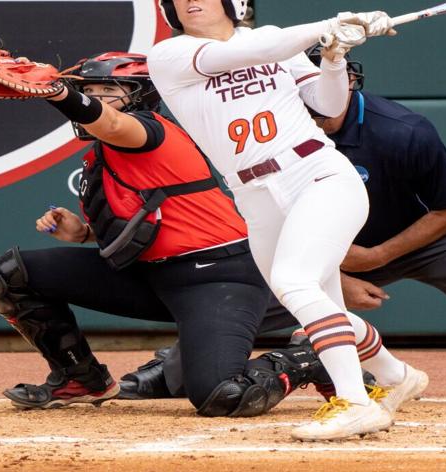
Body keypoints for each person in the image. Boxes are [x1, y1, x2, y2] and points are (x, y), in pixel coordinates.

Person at [125, 47, 446, 411]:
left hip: (431, 234)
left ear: (347, 82)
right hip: (333, 243)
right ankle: (177, 370)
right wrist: (341, 272)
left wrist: (371, 259)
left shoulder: (402, 130)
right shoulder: (270, 139)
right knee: (268, 288)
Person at [0, 51, 341, 417]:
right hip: (152, 275)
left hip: (218, 277)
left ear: (141, 95)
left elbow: (115, 126)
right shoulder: (102, 154)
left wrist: (59, 93)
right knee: (9, 273)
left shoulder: (149, 129)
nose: (96, 98)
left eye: (107, 90)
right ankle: (79, 378)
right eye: (89, 90)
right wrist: (85, 233)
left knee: (221, 394)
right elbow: (149, 224)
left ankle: (309, 356)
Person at [149, 0, 420, 441]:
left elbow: (328, 104)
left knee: (296, 282)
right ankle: (395, 375)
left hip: (317, 173)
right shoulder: (170, 55)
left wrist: (334, 57)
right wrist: (329, 26)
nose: (188, 1)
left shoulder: (273, 40)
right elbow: (248, 54)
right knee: (309, 300)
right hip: (255, 195)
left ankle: (355, 402)